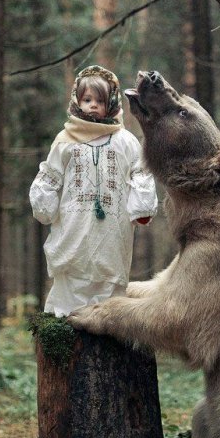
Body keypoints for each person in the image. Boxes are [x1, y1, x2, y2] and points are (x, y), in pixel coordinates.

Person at [30, 65, 158, 316]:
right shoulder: (65, 140)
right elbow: (51, 176)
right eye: (87, 99)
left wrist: (141, 207)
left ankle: (108, 319)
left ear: (110, 102)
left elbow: (140, 173)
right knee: (73, 268)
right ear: (77, 101)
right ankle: (66, 319)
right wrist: (44, 204)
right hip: (73, 223)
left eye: (99, 100)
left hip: (113, 225)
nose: (92, 106)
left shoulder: (126, 141)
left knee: (109, 272)